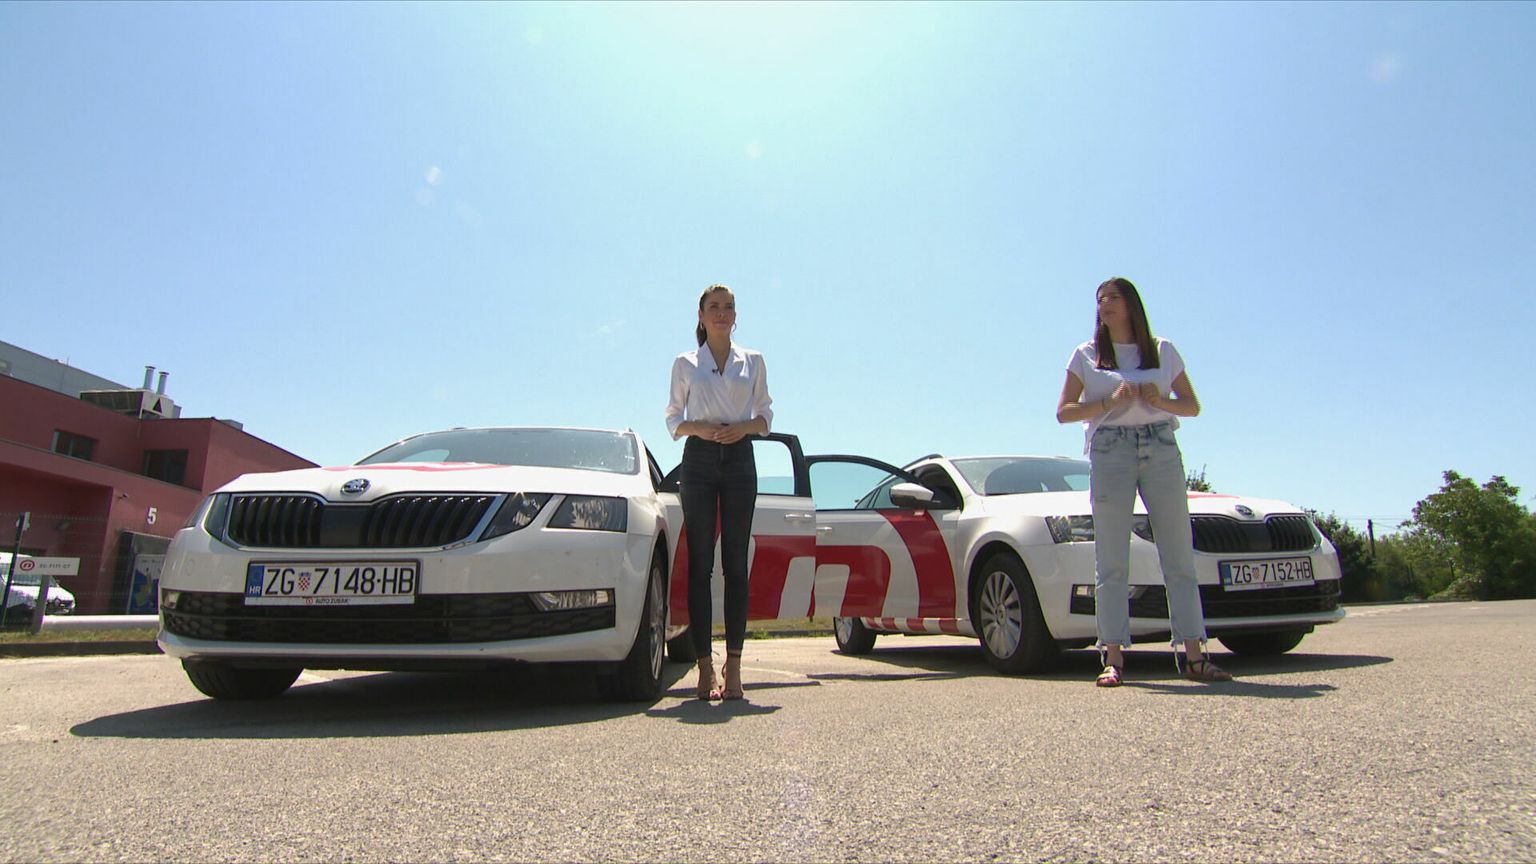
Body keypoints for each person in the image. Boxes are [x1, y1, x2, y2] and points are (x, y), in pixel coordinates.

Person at [1055, 277, 1232, 687]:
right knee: (1111, 559)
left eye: (1113, 297)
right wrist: (1107, 403)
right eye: (1099, 299)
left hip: (1160, 447)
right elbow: (1064, 412)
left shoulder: (1163, 350)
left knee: (1178, 555)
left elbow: (1192, 406)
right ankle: (1112, 657)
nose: (1105, 304)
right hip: (1110, 450)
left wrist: (1159, 400)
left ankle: (1194, 656)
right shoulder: (1086, 354)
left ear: (1131, 303)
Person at [664, 284, 773, 700]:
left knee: (735, 564)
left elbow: (765, 416)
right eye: (714, 307)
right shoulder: (686, 362)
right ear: (701, 315)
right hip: (698, 461)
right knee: (701, 565)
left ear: (735, 316)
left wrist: (742, 429)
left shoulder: (753, 360)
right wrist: (699, 428)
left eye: (728, 307)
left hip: (740, 460)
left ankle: (736, 666)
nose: (721, 313)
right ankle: (705, 668)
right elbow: (673, 418)